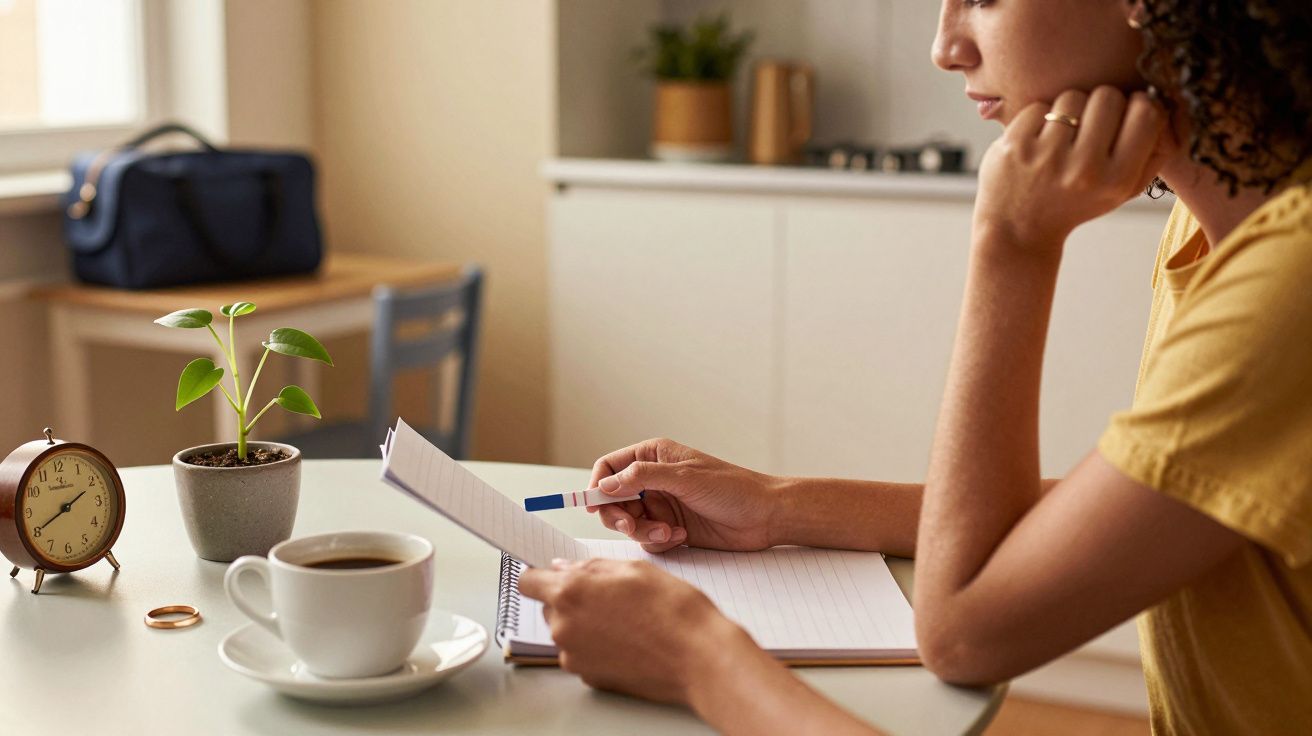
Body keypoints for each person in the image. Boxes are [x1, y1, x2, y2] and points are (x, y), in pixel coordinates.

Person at [517, 1, 1312, 733]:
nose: (945, 47)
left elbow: (964, 633)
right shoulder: (1208, 232)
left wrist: (690, 653)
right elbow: (1155, 506)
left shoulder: (1290, 286)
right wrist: (777, 507)